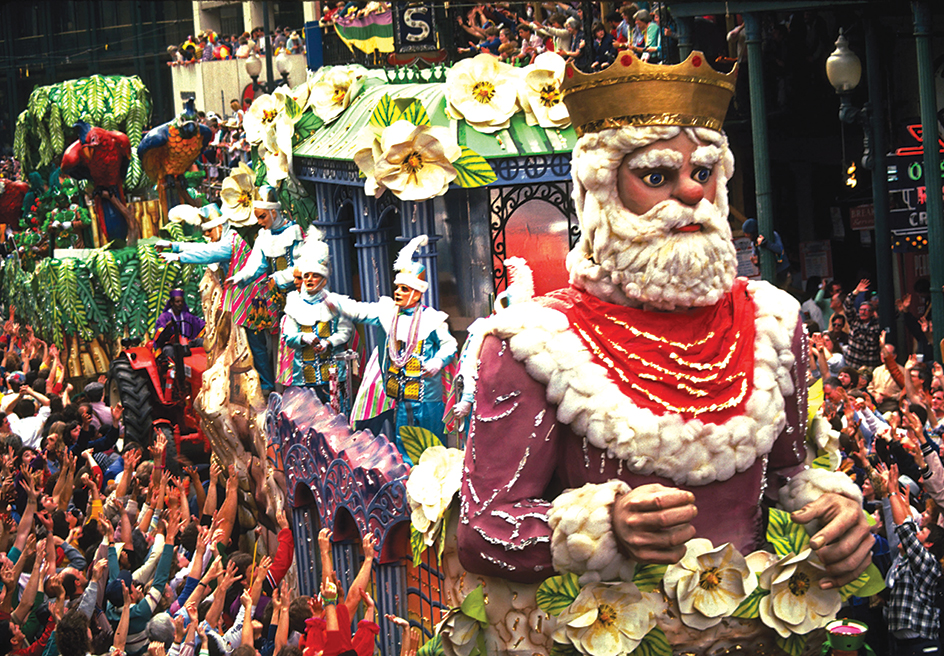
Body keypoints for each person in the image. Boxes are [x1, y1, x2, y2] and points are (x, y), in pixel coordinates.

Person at [456, 51, 871, 653]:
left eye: (702, 172)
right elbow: (483, 527)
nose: (690, 194)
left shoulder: (773, 322)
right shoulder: (532, 343)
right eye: (656, 176)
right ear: (602, 189)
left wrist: (832, 513)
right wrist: (604, 529)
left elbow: (787, 474)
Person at [327, 235, 457, 464]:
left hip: (428, 398)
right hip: (401, 397)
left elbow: (449, 344)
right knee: (404, 446)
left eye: (404, 289)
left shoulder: (432, 319)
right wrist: (336, 303)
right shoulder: (388, 314)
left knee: (432, 447)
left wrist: (437, 361)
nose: (398, 293)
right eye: (397, 287)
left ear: (417, 293)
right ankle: (408, 484)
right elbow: (361, 310)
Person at [228, 186, 305, 394]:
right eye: (258, 218)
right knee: (269, 341)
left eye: (263, 217)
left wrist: (279, 278)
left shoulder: (293, 232)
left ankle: (298, 388)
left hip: (296, 296)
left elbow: (300, 267)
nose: (260, 222)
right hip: (274, 298)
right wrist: (240, 277)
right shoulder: (263, 236)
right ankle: (277, 388)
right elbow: (257, 263)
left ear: (274, 212)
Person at [282, 232, 354, 411]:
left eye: (314, 276)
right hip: (305, 376)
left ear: (323, 278)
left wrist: (328, 342)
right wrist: (302, 338)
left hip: (334, 376)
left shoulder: (336, 302)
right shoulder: (293, 302)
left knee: (338, 418)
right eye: (306, 276)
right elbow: (288, 336)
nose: (309, 280)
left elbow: (345, 332)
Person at [843, 279, 883, 370]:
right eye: (861, 310)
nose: (863, 312)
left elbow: (892, 315)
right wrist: (856, 292)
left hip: (870, 366)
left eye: (866, 310)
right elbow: (847, 305)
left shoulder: (877, 324)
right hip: (853, 365)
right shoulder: (854, 320)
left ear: (872, 313)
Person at [742, 217, 791, 288]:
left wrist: (767, 244)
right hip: (769, 275)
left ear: (754, 232)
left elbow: (780, 250)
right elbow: (756, 257)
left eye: (749, 234)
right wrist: (756, 262)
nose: (747, 236)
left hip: (782, 272)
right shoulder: (754, 243)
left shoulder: (773, 235)